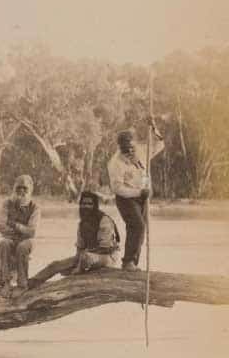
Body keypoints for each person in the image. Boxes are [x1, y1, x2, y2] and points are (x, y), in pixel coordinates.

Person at [27, 189, 121, 288]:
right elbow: (80, 249)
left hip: (108, 257)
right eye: (84, 203)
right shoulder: (82, 224)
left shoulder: (104, 220)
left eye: (90, 204)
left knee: (86, 258)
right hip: (88, 256)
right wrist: (69, 264)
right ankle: (31, 283)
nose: (86, 206)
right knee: (55, 265)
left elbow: (105, 248)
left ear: (95, 205)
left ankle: (79, 272)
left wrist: (79, 265)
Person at [107, 121, 164, 271]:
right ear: (120, 147)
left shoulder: (141, 151)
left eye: (132, 147)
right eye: (126, 149)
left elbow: (160, 145)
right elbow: (117, 188)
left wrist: (154, 129)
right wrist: (139, 192)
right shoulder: (115, 163)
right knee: (137, 225)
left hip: (142, 196)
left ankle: (133, 263)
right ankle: (128, 262)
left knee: (141, 228)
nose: (130, 152)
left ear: (135, 144)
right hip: (126, 198)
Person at [0, 174, 40, 297]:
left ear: (30, 190)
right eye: (19, 188)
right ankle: (6, 282)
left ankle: (22, 284)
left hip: (27, 241)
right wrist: (22, 229)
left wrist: (15, 225)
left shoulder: (35, 207)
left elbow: (32, 232)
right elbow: (2, 228)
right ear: (14, 189)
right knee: (3, 243)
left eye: (25, 188)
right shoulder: (6, 204)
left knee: (22, 247)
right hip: (11, 239)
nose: (21, 191)